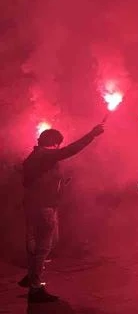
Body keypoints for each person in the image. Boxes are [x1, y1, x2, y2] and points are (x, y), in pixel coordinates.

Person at [19, 123, 105, 303]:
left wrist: (59, 185)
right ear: (54, 143)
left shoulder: (35, 157)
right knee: (44, 246)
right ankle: (35, 287)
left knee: (42, 243)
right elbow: (70, 150)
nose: (59, 148)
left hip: (37, 206)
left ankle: (32, 274)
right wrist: (91, 134)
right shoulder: (44, 155)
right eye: (58, 144)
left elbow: (35, 182)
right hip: (44, 207)